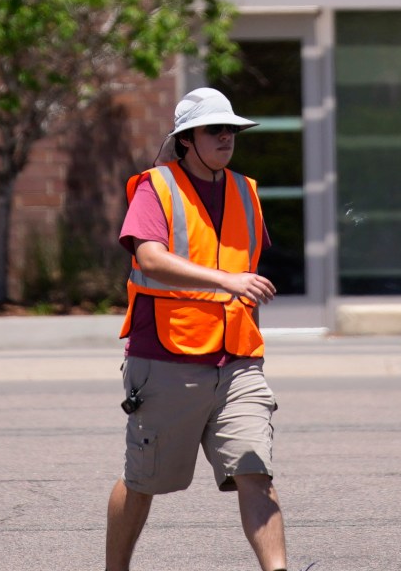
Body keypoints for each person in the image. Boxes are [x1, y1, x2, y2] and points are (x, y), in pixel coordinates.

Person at [105, 86, 286, 571]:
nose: (226, 136)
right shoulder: (156, 187)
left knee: (255, 469)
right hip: (168, 357)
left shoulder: (246, 191)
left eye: (231, 129)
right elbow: (149, 257)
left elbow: (244, 264)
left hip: (238, 359)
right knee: (144, 482)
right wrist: (226, 281)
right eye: (214, 129)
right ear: (186, 139)